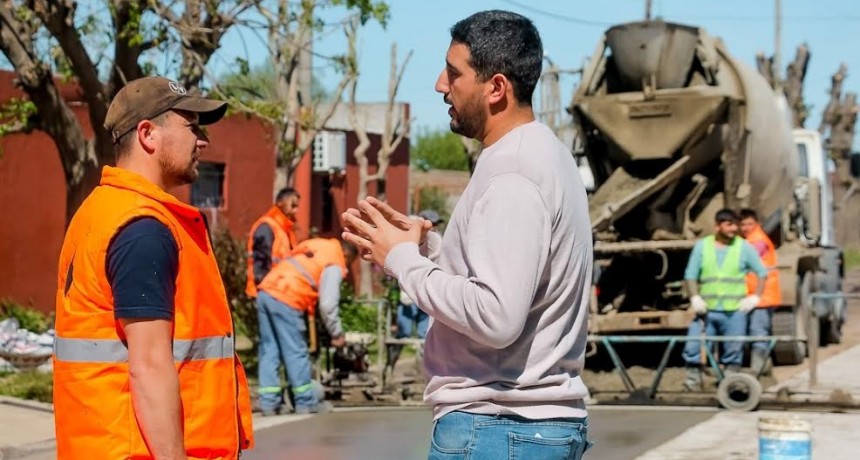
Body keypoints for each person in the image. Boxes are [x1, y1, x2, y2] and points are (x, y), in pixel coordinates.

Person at [341, 10, 592, 459]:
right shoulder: (541, 154)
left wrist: (404, 262)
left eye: (454, 74)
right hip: (518, 429)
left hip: (499, 428)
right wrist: (426, 250)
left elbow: (496, 317)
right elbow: (515, 276)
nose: (441, 85)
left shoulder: (514, 172)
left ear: (496, 88)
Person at [53, 76, 254, 458]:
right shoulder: (143, 229)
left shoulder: (102, 211)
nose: (203, 141)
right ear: (148, 134)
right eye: (191, 127)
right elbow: (148, 367)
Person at [255, 238, 356, 415]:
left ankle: (269, 403)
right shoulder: (334, 260)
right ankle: (305, 402)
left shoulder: (319, 245)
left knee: (269, 351)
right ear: (346, 255)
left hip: (267, 291)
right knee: (296, 351)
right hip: (288, 297)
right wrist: (337, 334)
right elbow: (328, 304)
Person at [683, 208, 768, 390]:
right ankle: (693, 383)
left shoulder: (743, 247)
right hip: (707, 310)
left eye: (735, 225)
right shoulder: (702, 246)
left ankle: (730, 384)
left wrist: (755, 297)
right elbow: (690, 274)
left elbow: (762, 272)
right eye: (729, 225)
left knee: (733, 349)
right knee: (694, 345)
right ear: (717, 226)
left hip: (734, 311)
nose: (734, 229)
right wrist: (695, 297)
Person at [739, 208, 782, 375]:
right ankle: (763, 365)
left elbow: (745, 260)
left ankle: (758, 368)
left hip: (762, 297)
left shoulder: (758, 241)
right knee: (754, 332)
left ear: (756, 224)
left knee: (758, 332)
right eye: (743, 224)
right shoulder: (747, 240)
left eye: (749, 224)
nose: (746, 227)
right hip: (752, 295)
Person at [246, 188, 300, 298]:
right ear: (280, 203)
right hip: (267, 292)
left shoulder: (285, 229)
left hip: (279, 291)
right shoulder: (267, 227)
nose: (296, 211)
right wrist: (267, 288)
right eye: (293, 205)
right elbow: (260, 263)